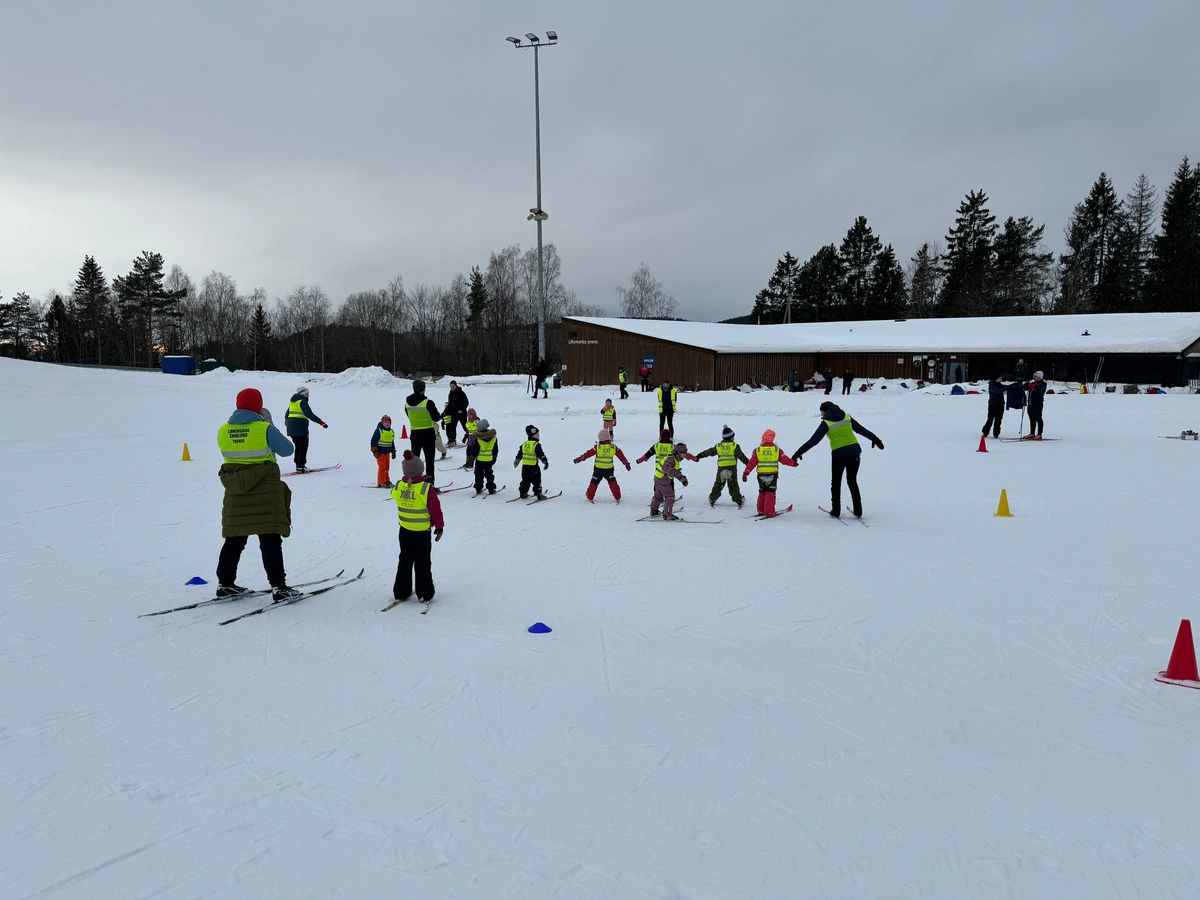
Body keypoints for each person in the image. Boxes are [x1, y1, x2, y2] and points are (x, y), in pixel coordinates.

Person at [215, 387, 299, 601]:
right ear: (258, 406)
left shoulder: (223, 430)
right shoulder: (263, 428)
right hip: (264, 491)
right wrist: (269, 426)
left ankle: (224, 584)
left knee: (234, 539)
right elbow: (288, 450)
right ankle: (279, 587)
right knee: (270, 539)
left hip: (236, 491)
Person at [793, 401, 884, 519]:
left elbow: (813, 441)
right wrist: (875, 438)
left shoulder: (825, 423)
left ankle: (836, 510)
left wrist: (798, 453)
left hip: (839, 454)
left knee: (836, 483)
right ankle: (858, 510)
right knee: (852, 481)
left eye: (821, 411)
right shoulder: (846, 416)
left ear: (825, 411)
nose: (821, 413)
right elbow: (861, 429)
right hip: (854, 451)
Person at [390, 451, 445, 605]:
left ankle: (401, 591)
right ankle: (425, 592)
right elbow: (435, 510)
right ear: (420, 470)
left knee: (405, 560)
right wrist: (439, 527)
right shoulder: (426, 489)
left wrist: (407, 483)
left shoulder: (399, 486)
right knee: (422, 562)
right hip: (421, 533)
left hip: (405, 530)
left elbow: (395, 494)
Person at [742, 428, 798, 518]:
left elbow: (751, 463)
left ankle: (761, 510)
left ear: (763, 438)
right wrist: (793, 463)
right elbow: (785, 460)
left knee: (762, 492)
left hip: (760, 476)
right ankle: (769, 511)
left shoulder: (757, 450)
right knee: (770, 493)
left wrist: (746, 473)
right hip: (772, 476)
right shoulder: (777, 450)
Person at [695, 425, 748, 508]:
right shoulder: (735, 446)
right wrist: (747, 462)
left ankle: (712, 498)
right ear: (731, 437)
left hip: (721, 470)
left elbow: (709, 452)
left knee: (718, 484)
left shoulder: (718, 446)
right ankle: (738, 499)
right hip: (732, 470)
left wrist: (700, 455)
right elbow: (741, 456)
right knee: (733, 485)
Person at [573, 429, 631, 503]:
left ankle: (589, 496)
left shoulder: (598, 447)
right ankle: (617, 496)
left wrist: (580, 458)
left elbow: (588, 454)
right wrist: (626, 463)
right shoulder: (613, 447)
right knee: (612, 482)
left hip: (598, 469)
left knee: (594, 482)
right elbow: (621, 455)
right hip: (609, 469)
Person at [404, 379, 442, 484]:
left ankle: (415, 482)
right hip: (428, 434)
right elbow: (436, 417)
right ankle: (430, 485)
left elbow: (408, 415)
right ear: (423, 389)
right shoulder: (428, 402)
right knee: (429, 461)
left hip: (415, 434)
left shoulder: (407, 402)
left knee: (414, 461)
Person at [285, 386, 328, 473]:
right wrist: (321, 422)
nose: (308, 396)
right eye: (306, 394)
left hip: (291, 427)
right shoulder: (302, 402)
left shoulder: (293, 401)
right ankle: (301, 467)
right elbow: (309, 414)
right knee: (303, 446)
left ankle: (298, 465)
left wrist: (287, 421)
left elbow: (287, 413)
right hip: (300, 427)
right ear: (302, 394)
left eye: (308, 394)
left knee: (298, 446)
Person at [650, 442, 690, 520]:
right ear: (678, 452)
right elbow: (666, 468)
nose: (685, 454)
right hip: (663, 480)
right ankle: (667, 514)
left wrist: (682, 478)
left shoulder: (675, 459)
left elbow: (676, 471)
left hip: (658, 479)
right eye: (683, 453)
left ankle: (654, 510)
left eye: (686, 452)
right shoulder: (671, 459)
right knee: (670, 496)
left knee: (658, 496)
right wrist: (676, 474)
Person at [514, 424, 550, 499]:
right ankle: (538, 494)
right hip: (534, 468)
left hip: (525, 468)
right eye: (537, 434)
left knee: (525, 481)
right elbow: (541, 455)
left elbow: (520, 454)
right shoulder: (536, 444)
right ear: (533, 435)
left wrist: (517, 461)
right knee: (537, 481)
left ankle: (523, 493)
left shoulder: (524, 444)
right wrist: (545, 462)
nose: (539, 435)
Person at [472, 419, 498, 494]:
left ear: (480, 428)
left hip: (480, 460)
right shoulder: (494, 438)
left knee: (478, 474)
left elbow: (475, 450)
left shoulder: (478, 439)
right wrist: (494, 458)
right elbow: (495, 449)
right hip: (489, 459)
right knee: (489, 474)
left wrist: (473, 457)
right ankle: (491, 488)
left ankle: (478, 487)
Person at [370, 414, 396, 488]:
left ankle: (386, 480)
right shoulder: (379, 431)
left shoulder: (391, 432)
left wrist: (393, 451)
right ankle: (381, 482)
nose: (387, 424)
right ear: (382, 423)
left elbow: (392, 442)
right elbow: (373, 441)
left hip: (387, 453)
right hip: (380, 453)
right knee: (382, 467)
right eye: (385, 422)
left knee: (387, 467)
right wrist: (375, 451)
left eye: (389, 422)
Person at [444, 380, 469, 445]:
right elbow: (449, 405)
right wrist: (445, 412)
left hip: (462, 414)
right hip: (454, 414)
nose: (452, 387)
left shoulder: (461, 393)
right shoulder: (450, 394)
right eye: (451, 386)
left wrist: (461, 409)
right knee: (452, 427)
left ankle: (470, 438)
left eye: (453, 386)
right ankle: (453, 440)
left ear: (456, 385)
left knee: (465, 426)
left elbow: (466, 403)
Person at [1026, 371, 1047, 439]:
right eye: (1034, 376)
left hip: (1037, 404)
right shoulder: (1032, 383)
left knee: (1038, 418)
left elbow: (1039, 389)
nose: (1034, 378)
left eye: (1036, 376)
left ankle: (1039, 434)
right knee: (1032, 419)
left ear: (1040, 377)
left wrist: (1032, 386)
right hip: (1030, 404)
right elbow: (1025, 387)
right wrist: (1027, 384)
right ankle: (1032, 433)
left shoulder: (1043, 384)